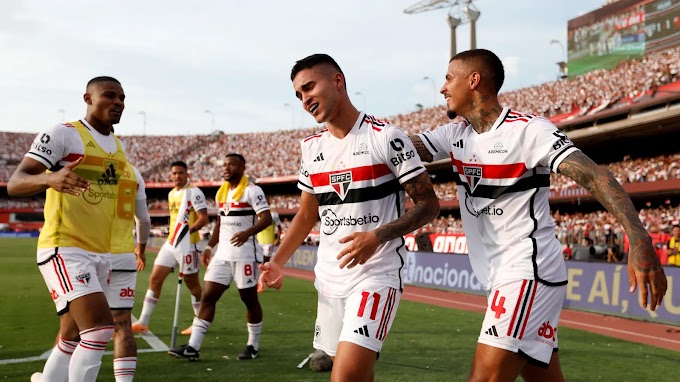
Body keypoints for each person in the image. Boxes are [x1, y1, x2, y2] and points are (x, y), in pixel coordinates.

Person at [409, 48, 667, 382]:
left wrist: (640, 238)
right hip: (501, 275)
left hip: (527, 271)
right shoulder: (455, 135)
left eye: (448, 78)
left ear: (473, 81)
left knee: (484, 378)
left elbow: (595, 176)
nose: (442, 88)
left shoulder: (529, 130)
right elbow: (401, 148)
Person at [258, 53, 440, 382]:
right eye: (298, 95)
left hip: (376, 274)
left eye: (309, 87)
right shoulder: (311, 148)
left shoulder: (387, 137)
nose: (304, 100)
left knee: (345, 376)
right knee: (355, 372)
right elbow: (305, 214)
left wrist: (376, 237)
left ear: (338, 81)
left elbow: (429, 204)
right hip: (329, 279)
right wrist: (278, 261)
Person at [8, 76, 127, 382]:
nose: (118, 102)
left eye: (122, 98)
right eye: (109, 96)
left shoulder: (118, 147)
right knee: (100, 328)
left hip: (101, 252)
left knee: (71, 333)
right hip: (65, 247)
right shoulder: (63, 134)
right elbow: (15, 183)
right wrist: (49, 179)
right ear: (88, 99)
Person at [31, 162, 152, 382]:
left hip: (86, 250)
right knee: (122, 324)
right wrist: (140, 250)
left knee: (72, 329)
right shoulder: (132, 172)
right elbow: (143, 219)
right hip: (123, 253)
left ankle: (50, 379)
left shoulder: (83, 161)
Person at [168, 153, 272, 361]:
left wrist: (247, 233)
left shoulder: (252, 191)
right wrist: (209, 246)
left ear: (242, 167)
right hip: (222, 255)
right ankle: (193, 347)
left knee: (249, 299)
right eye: (224, 165)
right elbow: (220, 223)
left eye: (231, 164)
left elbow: (266, 218)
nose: (226, 168)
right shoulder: (221, 193)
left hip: (245, 255)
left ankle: (253, 345)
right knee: (208, 296)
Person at [132, 161, 209, 335]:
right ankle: (143, 322)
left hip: (189, 245)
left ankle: (200, 322)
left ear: (187, 174)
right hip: (171, 243)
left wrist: (189, 231)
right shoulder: (171, 194)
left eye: (181, 173)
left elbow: (203, 218)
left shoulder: (194, 192)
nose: (177, 176)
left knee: (193, 284)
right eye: (174, 173)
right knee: (155, 278)